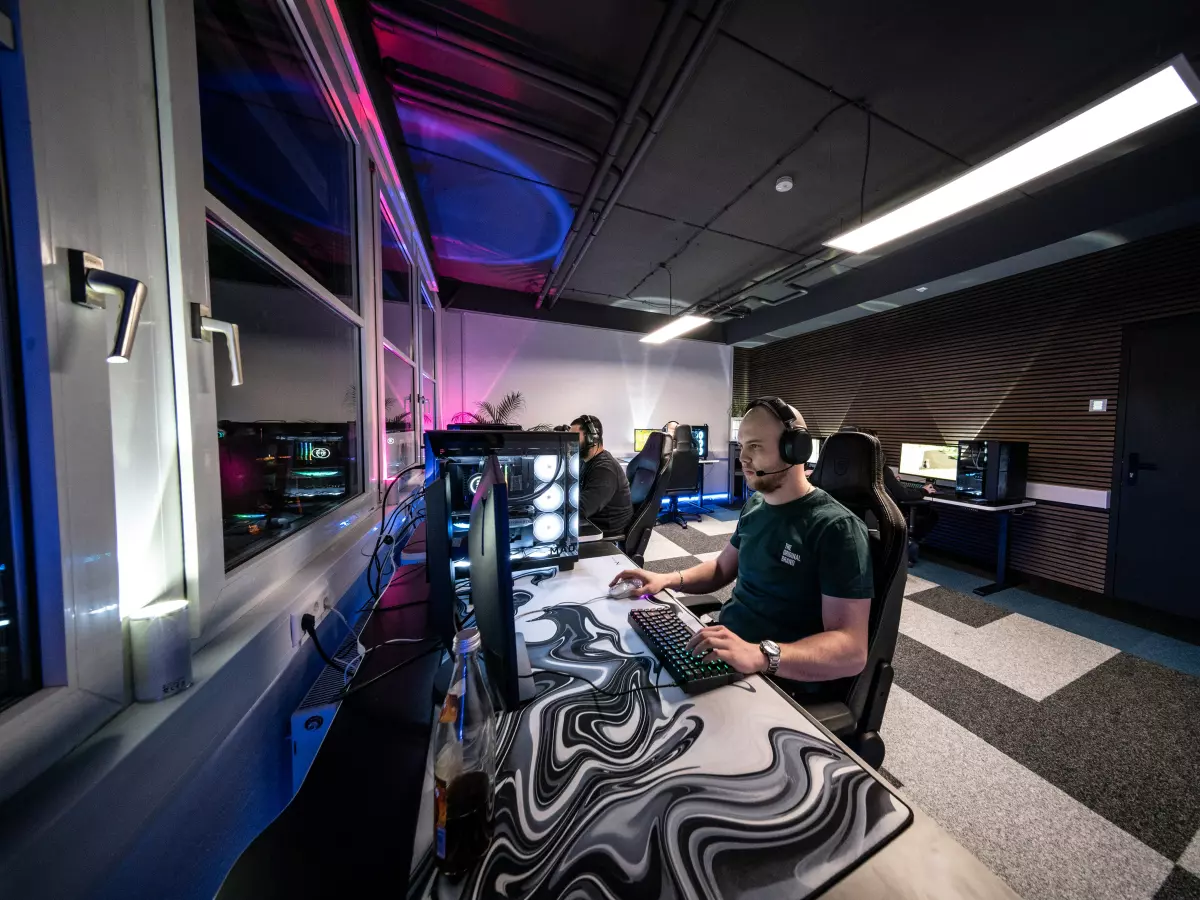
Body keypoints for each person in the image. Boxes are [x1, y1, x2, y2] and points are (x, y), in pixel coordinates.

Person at [612, 398, 873, 684]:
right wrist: (665, 579)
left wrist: (760, 655)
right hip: (726, 650)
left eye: (755, 446)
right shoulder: (756, 506)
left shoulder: (837, 528)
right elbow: (721, 570)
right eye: (742, 445)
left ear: (794, 449)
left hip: (775, 676)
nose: (742, 457)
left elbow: (851, 650)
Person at [862, 429, 939, 565]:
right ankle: (909, 543)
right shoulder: (881, 469)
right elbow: (903, 494)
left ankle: (907, 543)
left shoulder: (858, 469)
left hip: (869, 516)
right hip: (889, 513)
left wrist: (892, 480)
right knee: (931, 514)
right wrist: (924, 491)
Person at [570, 415, 632, 536]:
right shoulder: (586, 461)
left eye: (575, 439)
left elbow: (582, 508)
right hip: (593, 520)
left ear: (592, 439)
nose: (571, 444)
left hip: (605, 530)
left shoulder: (604, 469)